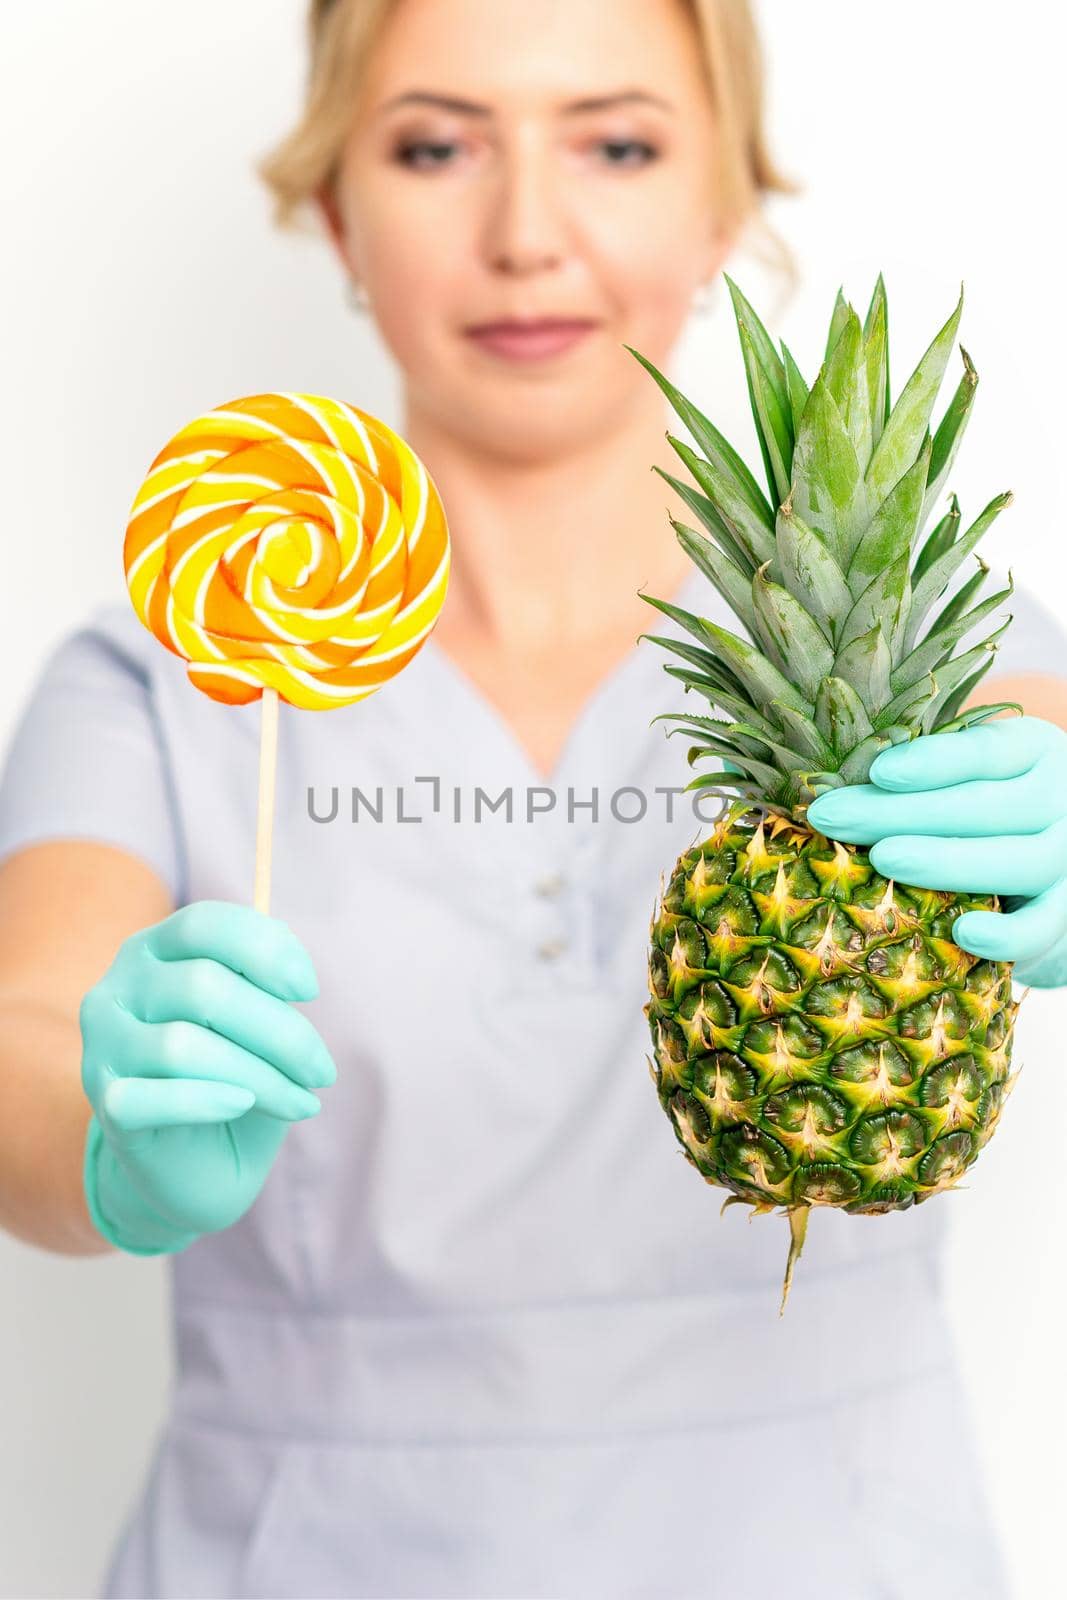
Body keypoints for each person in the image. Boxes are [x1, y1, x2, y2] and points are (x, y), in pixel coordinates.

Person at [2, 2, 1067, 1595]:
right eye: (435, 145)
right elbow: (25, 1030)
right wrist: (107, 1135)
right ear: (339, 209)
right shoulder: (166, 667)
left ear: (726, 199)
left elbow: (1031, 725)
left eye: (617, 143)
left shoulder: (928, 656)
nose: (525, 235)